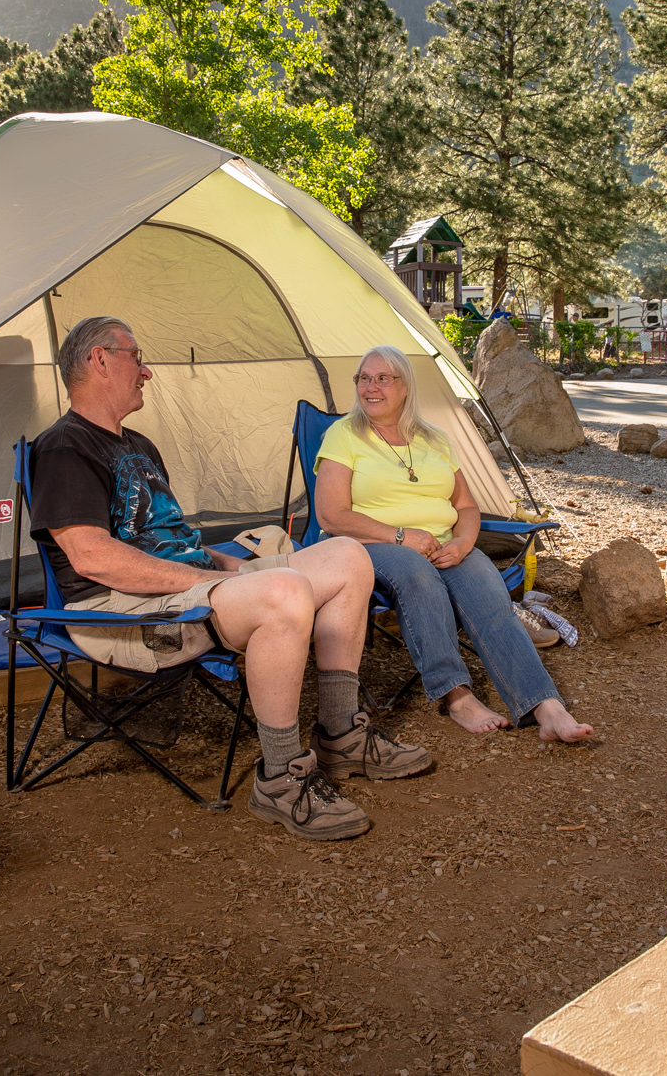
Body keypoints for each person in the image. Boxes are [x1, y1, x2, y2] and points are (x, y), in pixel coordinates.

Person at [29, 316, 433, 841]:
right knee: (284, 592)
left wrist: (231, 567)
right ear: (99, 360)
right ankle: (281, 780)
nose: (147, 371)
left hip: (189, 586)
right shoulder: (65, 446)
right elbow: (91, 558)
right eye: (136, 355)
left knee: (348, 557)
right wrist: (207, 583)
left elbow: (171, 540)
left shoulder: (139, 447)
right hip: (124, 611)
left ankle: (340, 735)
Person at [312, 345, 595, 743]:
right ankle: (457, 695)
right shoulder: (344, 435)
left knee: (489, 593)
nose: (370, 387)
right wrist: (400, 535)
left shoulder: (434, 439)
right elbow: (331, 515)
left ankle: (545, 705)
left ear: (405, 386)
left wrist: (463, 542)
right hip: (371, 543)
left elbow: (465, 505)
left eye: (382, 378)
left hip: (444, 542)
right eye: (363, 378)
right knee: (419, 576)